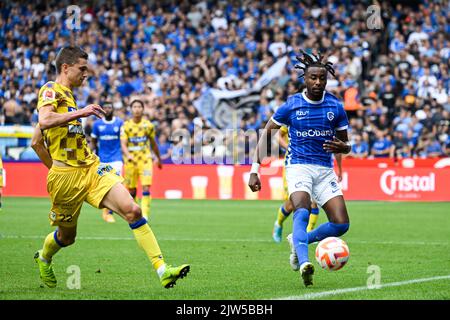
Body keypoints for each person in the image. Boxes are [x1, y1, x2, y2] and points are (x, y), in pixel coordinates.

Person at [31, 46, 189, 289]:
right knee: (67, 237)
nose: (86, 74)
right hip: (65, 178)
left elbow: (38, 138)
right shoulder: (50, 90)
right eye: (82, 69)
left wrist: (78, 113)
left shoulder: (70, 95)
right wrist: (57, 168)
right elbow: (43, 125)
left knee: (133, 210)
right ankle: (44, 257)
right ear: (65, 67)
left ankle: (162, 270)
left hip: (92, 167)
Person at [248, 51, 351, 287]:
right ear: (305, 79)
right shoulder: (292, 105)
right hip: (298, 166)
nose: (317, 82)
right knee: (302, 209)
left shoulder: (335, 106)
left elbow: (345, 144)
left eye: (322, 78)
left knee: (341, 224)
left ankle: (298, 240)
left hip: (324, 170)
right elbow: (267, 133)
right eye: (313, 78)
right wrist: (255, 169)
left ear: (326, 79)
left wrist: (343, 148)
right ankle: (305, 263)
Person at [272, 122, 343, 243]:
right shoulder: (297, 114)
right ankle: (278, 223)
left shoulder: (328, 117)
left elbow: (338, 145)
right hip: (296, 165)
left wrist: (340, 168)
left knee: (313, 202)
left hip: (319, 165)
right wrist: (289, 148)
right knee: (292, 203)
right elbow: (276, 135)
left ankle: (307, 234)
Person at [121, 99, 162, 220]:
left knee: (146, 187)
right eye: (135, 107)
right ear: (131, 109)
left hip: (145, 161)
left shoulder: (148, 125)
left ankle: (145, 215)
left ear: (143, 109)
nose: (137, 109)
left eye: (139, 107)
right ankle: (135, 212)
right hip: (131, 161)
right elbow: (123, 143)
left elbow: (153, 144)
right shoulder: (126, 125)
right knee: (132, 190)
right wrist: (128, 154)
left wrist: (158, 158)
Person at [90, 101, 124, 223]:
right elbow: (93, 142)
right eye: (105, 107)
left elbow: (123, 141)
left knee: (117, 184)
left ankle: (112, 211)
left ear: (113, 109)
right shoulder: (97, 125)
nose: (108, 109)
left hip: (117, 159)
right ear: (102, 110)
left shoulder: (119, 123)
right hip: (102, 159)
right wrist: (91, 153)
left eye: (110, 107)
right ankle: (107, 213)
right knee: (106, 186)